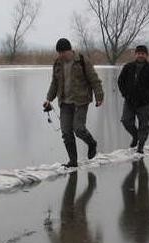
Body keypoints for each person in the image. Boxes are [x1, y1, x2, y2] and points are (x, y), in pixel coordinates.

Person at [43, 38, 104, 168]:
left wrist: (99, 96)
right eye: (59, 53)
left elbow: (94, 79)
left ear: (70, 50)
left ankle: (92, 143)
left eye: (63, 52)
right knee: (66, 132)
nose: (60, 55)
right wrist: (48, 99)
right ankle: (73, 161)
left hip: (80, 101)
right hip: (64, 102)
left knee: (79, 129)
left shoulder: (82, 60)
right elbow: (54, 83)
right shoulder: (58, 63)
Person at [118, 45, 149, 154]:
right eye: (139, 53)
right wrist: (125, 94)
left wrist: (148, 95)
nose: (140, 55)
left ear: (146, 55)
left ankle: (140, 146)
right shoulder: (128, 67)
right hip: (129, 101)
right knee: (126, 121)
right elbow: (120, 81)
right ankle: (135, 136)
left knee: (143, 125)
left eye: (143, 54)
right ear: (135, 54)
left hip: (144, 102)